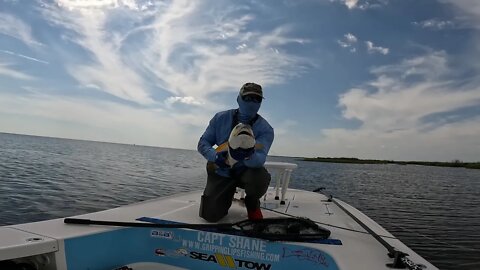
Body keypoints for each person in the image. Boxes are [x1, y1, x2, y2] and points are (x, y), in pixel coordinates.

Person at [197, 82, 274, 222]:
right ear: (238, 99)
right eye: (248, 98)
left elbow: (260, 159)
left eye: (256, 99)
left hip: (246, 171)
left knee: (260, 177)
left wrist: (249, 155)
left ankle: (252, 203)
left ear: (261, 103)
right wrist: (214, 156)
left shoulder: (266, 129)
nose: (252, 102)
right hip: (221, 170)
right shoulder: (219, 118)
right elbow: (203, 143)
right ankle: (224, 195)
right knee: (210, 216)